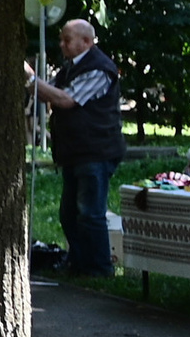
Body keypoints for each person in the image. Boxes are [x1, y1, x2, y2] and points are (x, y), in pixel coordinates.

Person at [25, 18, 126, 277]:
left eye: (66, 40)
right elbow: (56, 94)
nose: (61, 44)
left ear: (87, 42)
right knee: (70, 214)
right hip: (76, 151)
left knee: (90, 213)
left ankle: (100, 269)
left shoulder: (99, 69)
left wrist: (30, 80)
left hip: (95, 151)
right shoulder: (70, 67)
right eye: (61, 39)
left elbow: (66, 100)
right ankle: (79, 264)